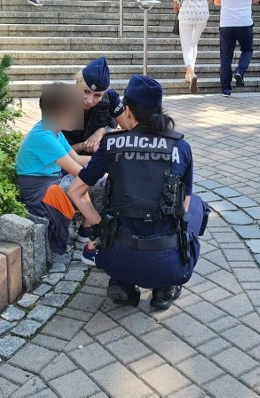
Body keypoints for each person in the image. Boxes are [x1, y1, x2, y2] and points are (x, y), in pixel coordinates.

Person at [68, 75, 210, 310]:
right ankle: (165, 288)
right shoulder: (181, 147)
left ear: (129, 112)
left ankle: (122, 282)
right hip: (166, 263)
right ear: (159, 111)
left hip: (115, 258)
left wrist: (100, 226)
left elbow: (76, 192)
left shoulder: (111, 144)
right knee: (196, 204)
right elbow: (183, 210)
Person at [16, 83, 94, 255]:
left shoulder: (54, 130)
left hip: (51, 180)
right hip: (40, 190)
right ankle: (89, 230)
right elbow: (79, 172)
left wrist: (105, 160)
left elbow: (78, 159)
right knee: (94, 183)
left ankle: (87, 230)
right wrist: (106, 169)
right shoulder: (43, 136)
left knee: (93, 177)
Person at [63, 56, 125, 155]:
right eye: (85, 91)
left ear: (104, 93)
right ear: (77, 82)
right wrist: (83, 145)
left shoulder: (111, 98)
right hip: (65, 161)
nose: (89, 101)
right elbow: (51, 151)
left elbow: (131, 131)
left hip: (101, 159)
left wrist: (104, 130)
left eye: (98, 95)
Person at [215, 0, 259, 97]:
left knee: (226, 57)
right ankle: (240, 71)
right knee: (247, 50)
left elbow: (216, 2)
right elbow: (255, 1)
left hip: (226, 24)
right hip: (244, 23)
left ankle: (226, 89)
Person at [175, 0, 212, 92]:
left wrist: (176, 3)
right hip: (202, 12)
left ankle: (192, 73)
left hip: (187, 12)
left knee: (187, 47)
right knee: (193, 44)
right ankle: (189, 74)